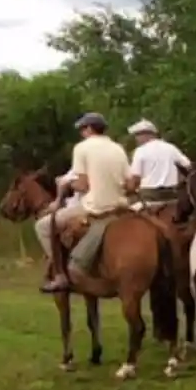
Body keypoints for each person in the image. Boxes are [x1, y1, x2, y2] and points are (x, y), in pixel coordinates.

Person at [37, 112, 132, 293]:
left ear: (89, 128)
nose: (81, 132)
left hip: (95, 205)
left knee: (42, 226)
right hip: (122, 206)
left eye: (82, 129)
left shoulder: (82, 148)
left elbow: (82, 185)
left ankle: (60, 274)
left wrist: (66, 183)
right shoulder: (118, 148)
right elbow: (129, 183)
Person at [127, 119, 190, 206]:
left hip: (149, 194)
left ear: (147, 134)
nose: (136, 138)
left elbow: (136, 177)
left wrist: (128, 188)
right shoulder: (171, 148)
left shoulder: (140, 151)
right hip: (171, 193)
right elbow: (187, 166)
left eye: (138, 135)